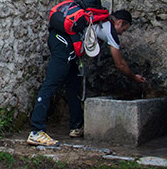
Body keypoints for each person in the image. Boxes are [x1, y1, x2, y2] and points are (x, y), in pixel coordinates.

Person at [27, 9, 146, 147]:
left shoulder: (99, 21)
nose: (121, 33)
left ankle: (76, 127)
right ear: (119, 22)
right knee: (51, 83)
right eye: (123, 29)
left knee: (74, 83)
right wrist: (134, 77)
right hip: (63, 44)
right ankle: (36, 131)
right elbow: (120, 64)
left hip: (63, 41)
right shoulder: (110, 30)